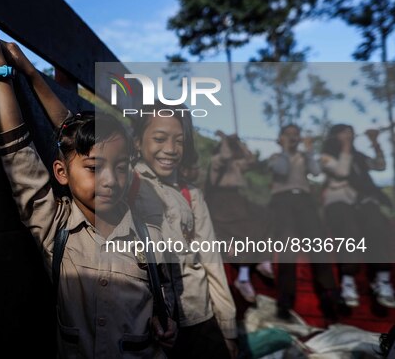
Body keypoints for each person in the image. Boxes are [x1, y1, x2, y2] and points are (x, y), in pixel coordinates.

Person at [0, 20, 177, 357]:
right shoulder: (56, 228)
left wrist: (167, 325)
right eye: (95, 169)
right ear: (61, 173)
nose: (110, 179)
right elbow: (20, 154)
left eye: (121, 167)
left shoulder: (151, 238)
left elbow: (163, 298)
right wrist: (2, 69)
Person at [129, 104, 238, 359]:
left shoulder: (192, 195)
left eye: (179, 141)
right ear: (136, 142)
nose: (170, 149)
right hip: (152, 325)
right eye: (159, 138)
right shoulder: (126, 186)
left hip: (200, 317)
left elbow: (212, 263)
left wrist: (228, 328)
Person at [268, 124, 339, 321]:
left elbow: (316, 171)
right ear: (281, 137)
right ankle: (285, 300)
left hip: (305, 201)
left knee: (318, 245)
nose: (293, 138)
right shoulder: (275, 157)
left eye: (295, 135)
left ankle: (329, 294)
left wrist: (308, 151)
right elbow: (281, 171)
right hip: (282, 201)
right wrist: (284, 149)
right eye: (288, 135)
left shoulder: (304, 157)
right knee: (288, 247)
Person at [320, 124, 395, 309]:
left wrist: (375, 143)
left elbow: (380, 165)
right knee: (349, 232)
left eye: (350, 133)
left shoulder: (359, 157)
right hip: (338, 205)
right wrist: (346, 148)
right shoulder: (325, 157)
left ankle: (382, 279)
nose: (349, 136)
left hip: (360, 204)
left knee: (376, 225)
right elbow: (342, 171)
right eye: (344, 133)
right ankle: (347, 280)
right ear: (335, 137)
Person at [205, 131, 274, 304]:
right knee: (245, 234)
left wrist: (239, 142)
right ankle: (244, 277)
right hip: (222, 202)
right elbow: (225, 155)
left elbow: (250, 160)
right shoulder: (216, 162)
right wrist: (225, 140)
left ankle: (261, 259)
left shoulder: (235, 165)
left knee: (263, 216)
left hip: (237, 199)